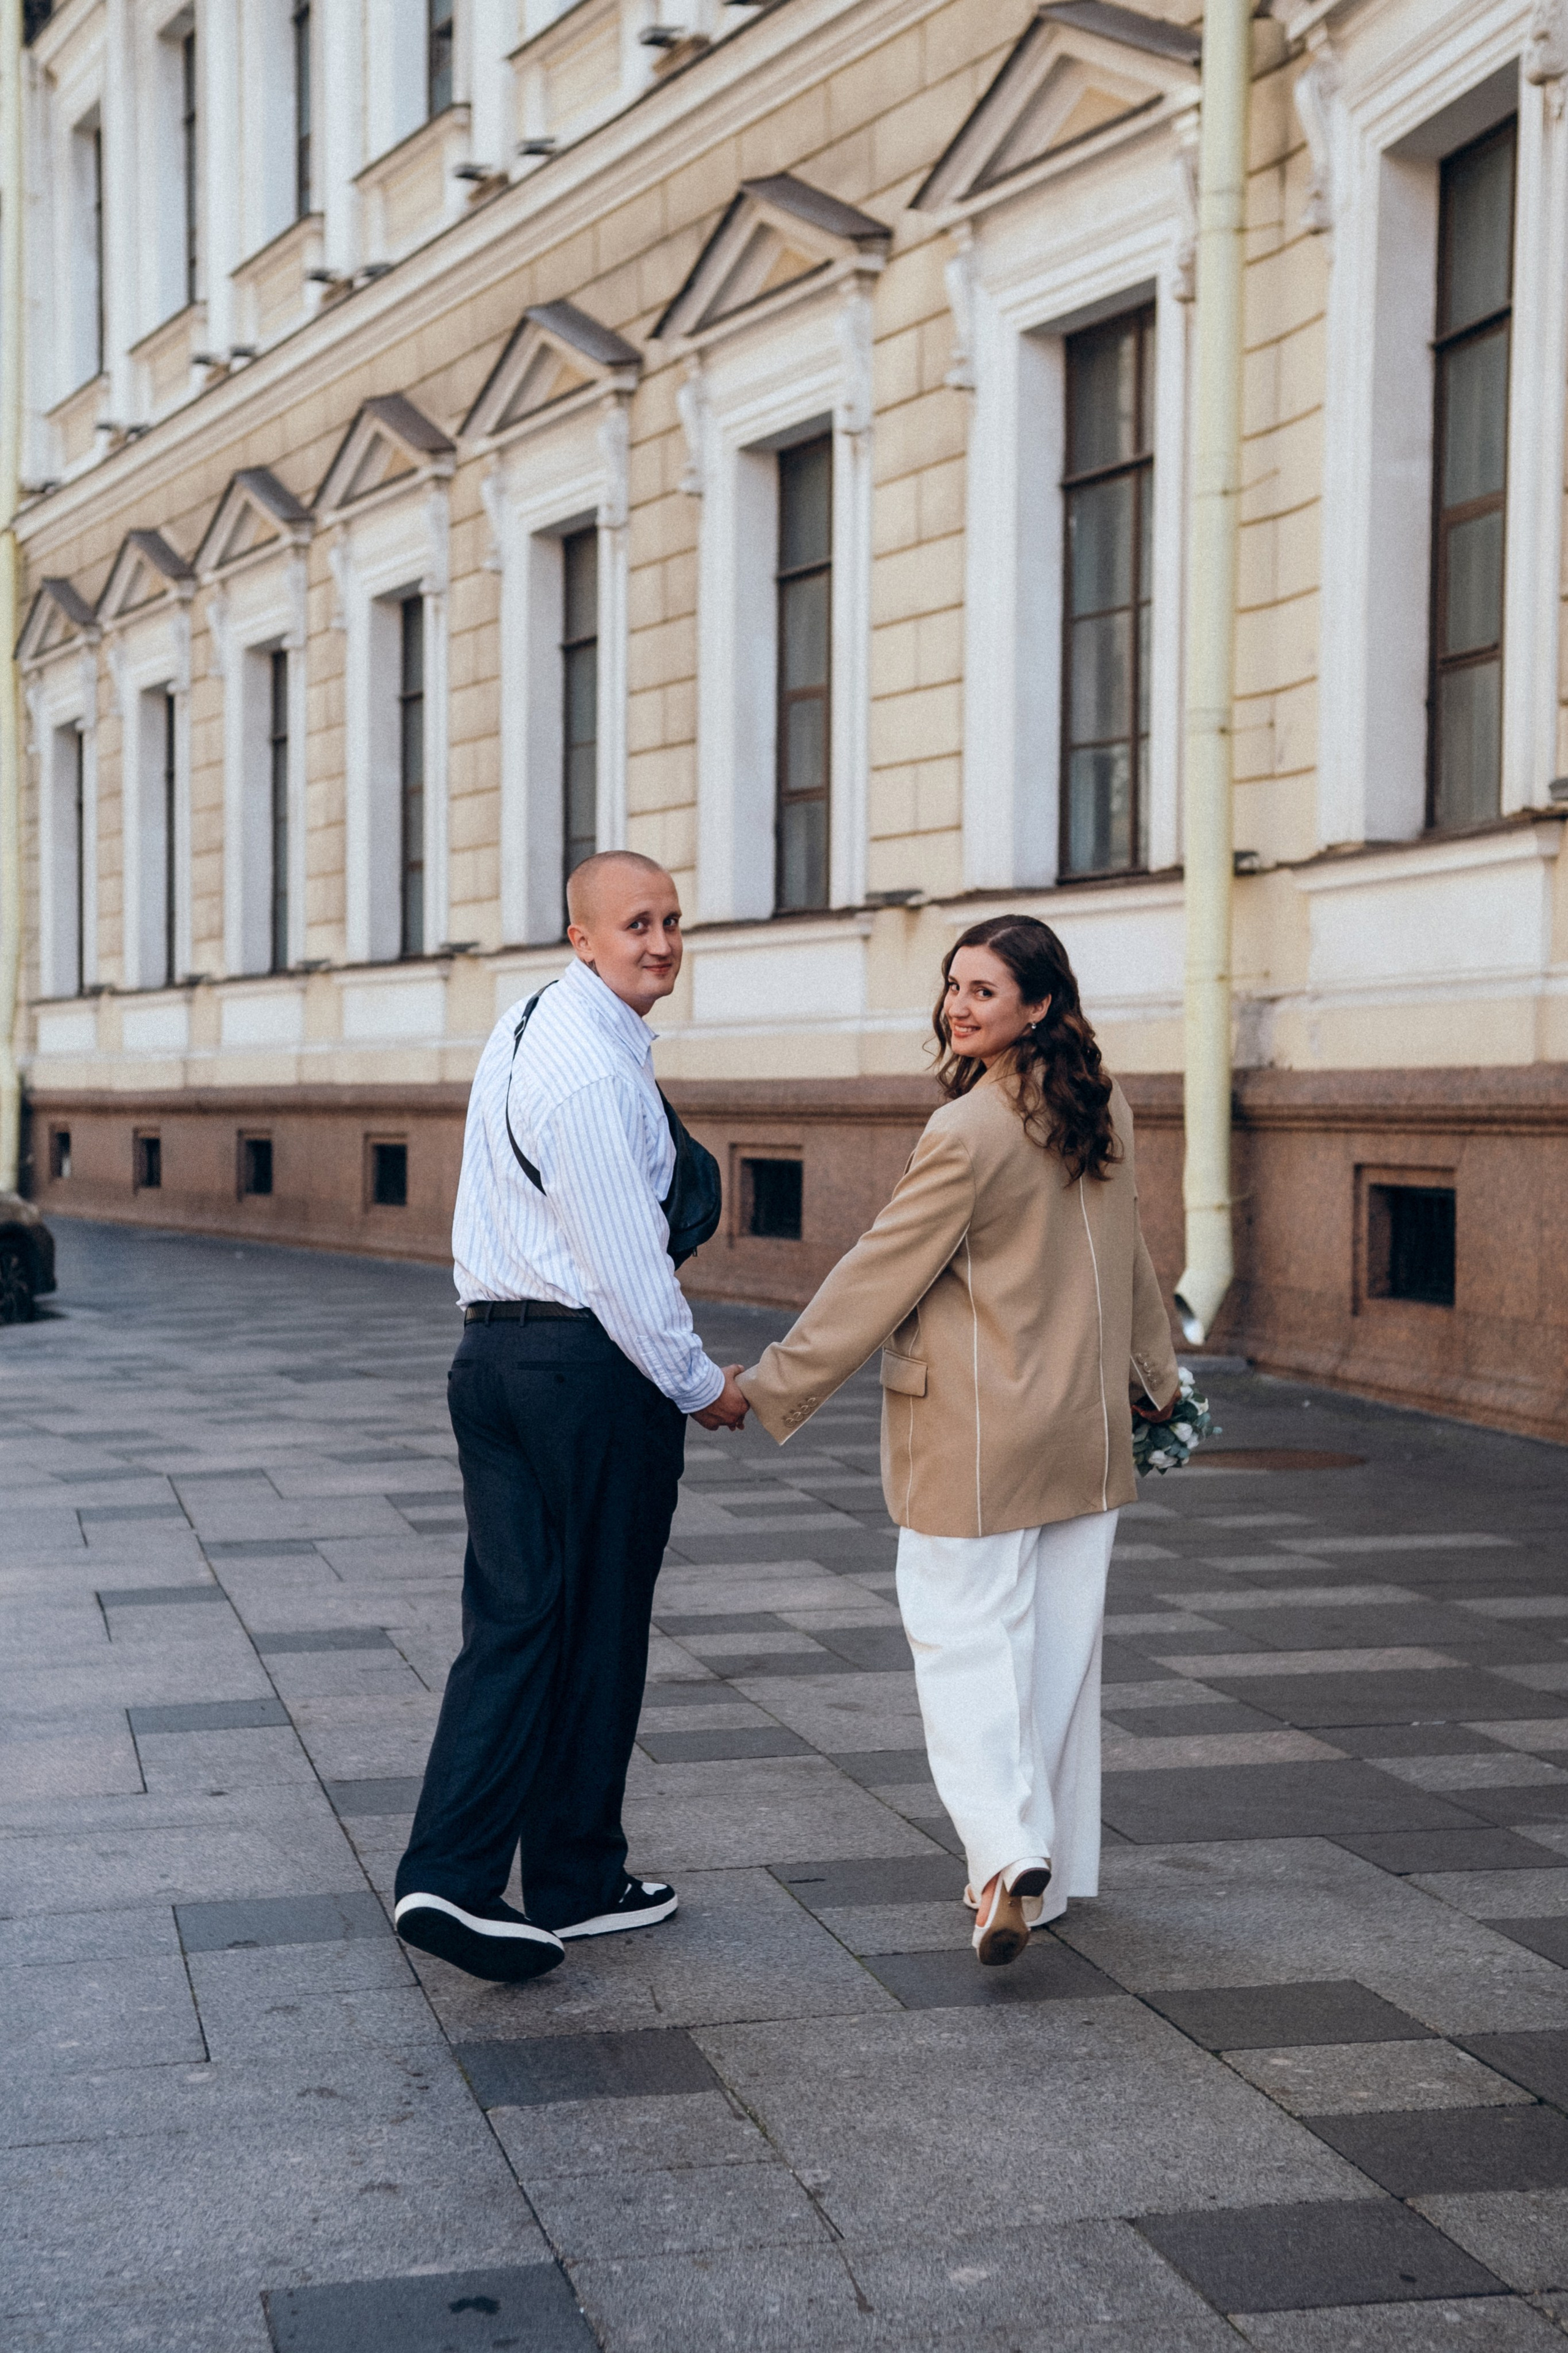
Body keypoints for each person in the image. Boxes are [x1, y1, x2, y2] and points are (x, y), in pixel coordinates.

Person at [739, 915, 1178, 1966]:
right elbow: (1133, 1259)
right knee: (1059, 1657)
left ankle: (1003, 1854)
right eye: (954, 986)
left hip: (978, 1438)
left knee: (962, 1639)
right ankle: (1049, 1876)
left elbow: (876, 1273)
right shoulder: (1103, 1104)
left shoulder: (968, 1131)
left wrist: (767, 1385)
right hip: (1084, 1433)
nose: (959, 1005)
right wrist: (1154, 1382)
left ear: (1038, 1005)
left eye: (984, 990)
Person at [394, 852, 749, 1984]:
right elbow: (625, 1267)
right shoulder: (594, 1070)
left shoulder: (527, 1023)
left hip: (490, 1356)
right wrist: (703, 1386)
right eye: (636, 923)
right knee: (595, 1621)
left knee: (514, 1619)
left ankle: (452, 1873)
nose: (661, 941)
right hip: (579, 1370)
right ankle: (565, 1880)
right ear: (582, 935)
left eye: (674, 921)